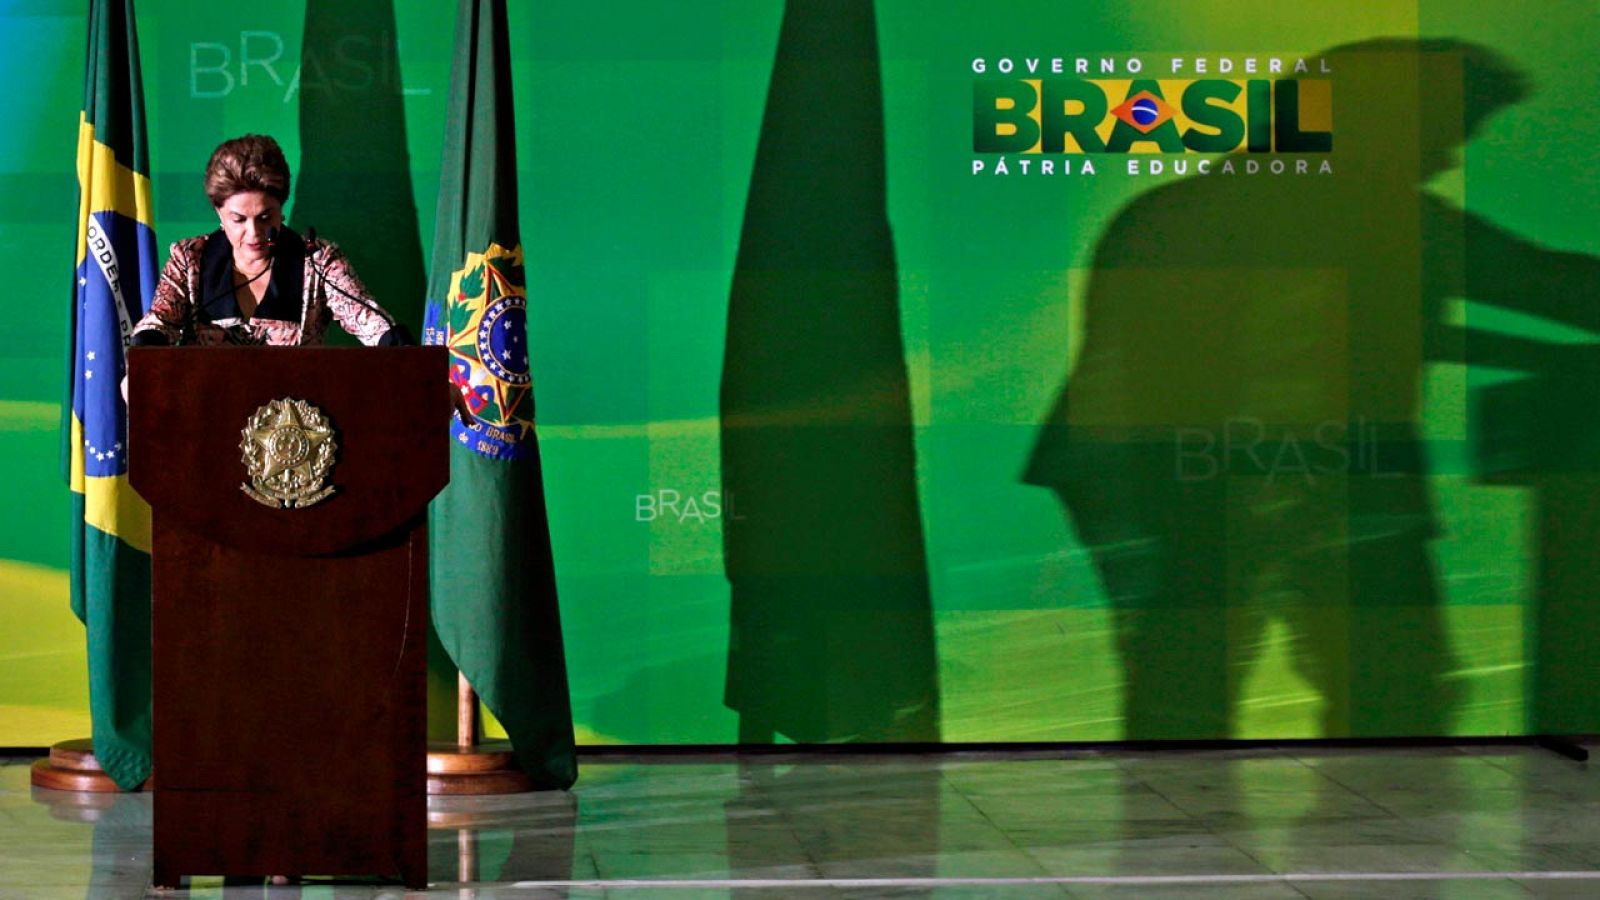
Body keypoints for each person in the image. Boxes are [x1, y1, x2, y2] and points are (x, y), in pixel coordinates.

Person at [129, 133, 410, 349]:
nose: (254, 233)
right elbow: (159, 322)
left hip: (297, 418)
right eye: (239, 220)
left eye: (266, 217)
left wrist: (419, 369)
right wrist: (140, 369)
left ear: (281, 208)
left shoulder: (317, 261)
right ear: (219, 213)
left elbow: (370, 320)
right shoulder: (190, 259)